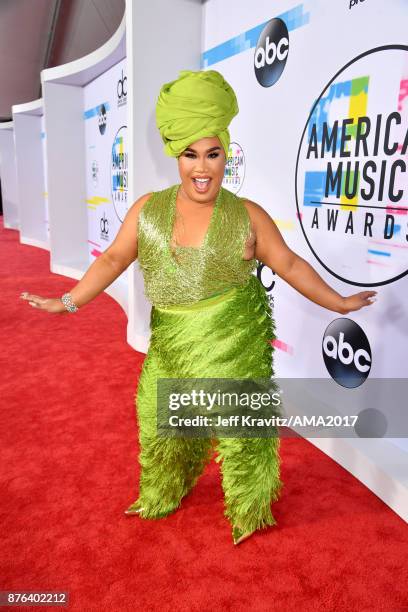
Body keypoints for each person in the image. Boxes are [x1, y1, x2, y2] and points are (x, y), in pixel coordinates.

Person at [19, 69, 377, 545]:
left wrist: (339, 300)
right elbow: (111, 259)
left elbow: (289, 264)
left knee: (244, 434)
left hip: (233, 345)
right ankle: (165, 491)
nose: (202, 168)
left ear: (227, 153)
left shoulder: (247, 215)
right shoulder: (147, 209)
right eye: (191, 154)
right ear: (176, 155)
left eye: (213, 153)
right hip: (170, 345)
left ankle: (250, 511)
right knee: (159, 421)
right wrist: (67, 302)